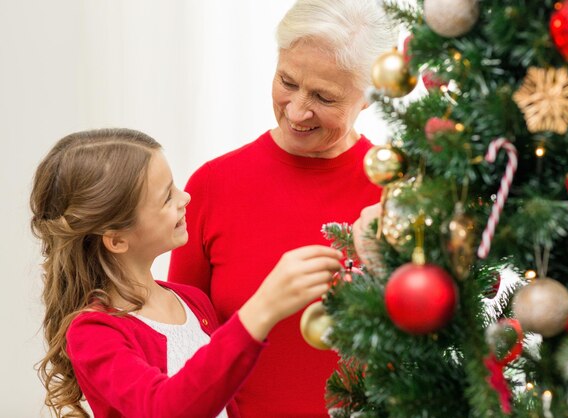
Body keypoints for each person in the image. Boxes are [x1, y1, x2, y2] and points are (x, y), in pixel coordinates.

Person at [167, 0, 396, 416]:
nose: (297, 110)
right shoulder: (211, 186)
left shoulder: (399, 194)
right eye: (287, 81)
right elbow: (182, 348)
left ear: (369, 96)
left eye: (325, 97)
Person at [31, 128, 342, 418]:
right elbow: (166, 408)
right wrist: (263, 309)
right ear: (117, 239)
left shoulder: (192, 302)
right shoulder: (93, 332)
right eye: (167, 197)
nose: (185, 198)